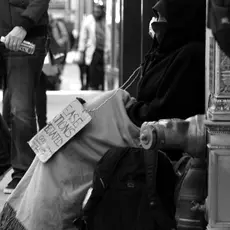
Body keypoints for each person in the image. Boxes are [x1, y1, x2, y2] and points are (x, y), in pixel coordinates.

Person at [0, 0, 205, 229]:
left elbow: (162, 114)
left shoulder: (191, 56)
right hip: (127, 122)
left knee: (63, 150)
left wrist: (126, 106)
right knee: (51, 148)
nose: (156, 23)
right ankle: (20, 216)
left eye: (161, 18)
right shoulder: (167, 50)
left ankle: (32, 222)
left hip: (140, 131)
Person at [0, 0, 50, 194]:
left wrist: (22, 25)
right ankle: (4, 156)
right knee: (13, 106)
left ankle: (23, 172)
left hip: (25, 37)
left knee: (19, 107)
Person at [77, 0, 111, 90]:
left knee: (102, 73)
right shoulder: (88, 20)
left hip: (103, 50)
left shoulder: (106, 20)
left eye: (99, 9)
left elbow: (109, 37)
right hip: (93, 50)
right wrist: (81, 50)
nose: (97, 10)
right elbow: (83, 37)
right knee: (92, 72)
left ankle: (100, 87)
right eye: (96, 8)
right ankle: (92, 87)